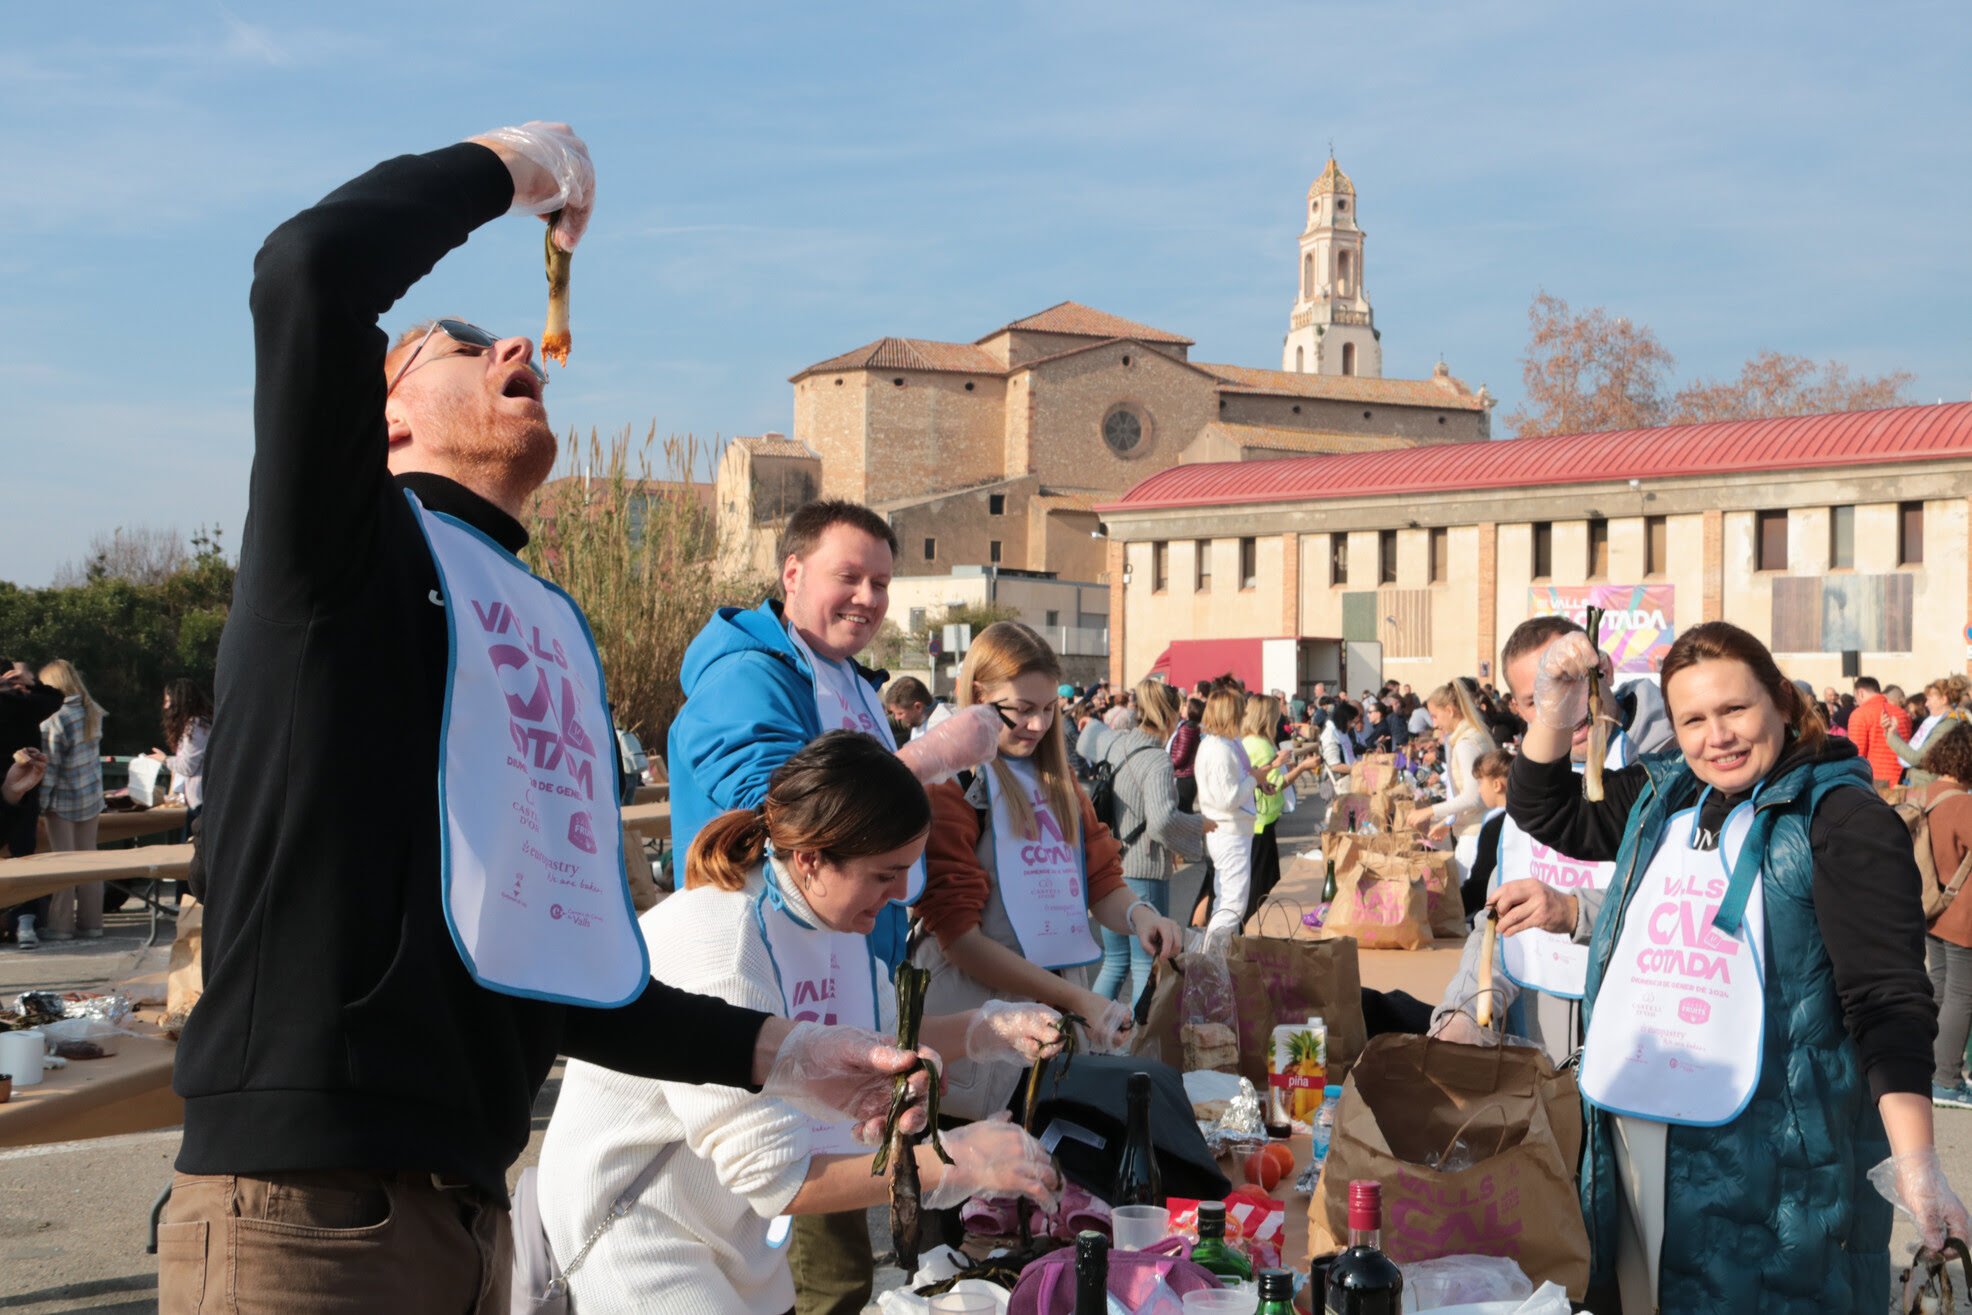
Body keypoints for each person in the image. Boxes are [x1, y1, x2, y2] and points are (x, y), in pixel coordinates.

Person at [160, 123, 931, 1315]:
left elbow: (558, 966)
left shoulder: (535, 620)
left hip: (472, 1215)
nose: (514, 345)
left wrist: (774, 1051)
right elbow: (308, 268)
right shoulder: (341, 553)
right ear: (383, 420)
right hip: (305, 1212)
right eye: (457, 347)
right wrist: (512, 167)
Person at [1514, 620, 1962, 1310]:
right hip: (1639, 1143)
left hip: (1774, 1165)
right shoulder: (1665, 796)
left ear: (1781, 701)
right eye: (1692, 718)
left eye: (1734, 709)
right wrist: (1553, 707)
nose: (1714, 736)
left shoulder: (1843, 818)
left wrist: (1917, 1159)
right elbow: (1550, 810)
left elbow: (1886, 1000)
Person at [537, 734, 1063, 1314]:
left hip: (728, 1229)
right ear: (811, 858)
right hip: (637, 1226)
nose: (896, 898)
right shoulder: (725, 945)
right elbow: (776, 1179)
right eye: (885, 875)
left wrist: (986, 1029)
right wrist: (960, 1161)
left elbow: (880, 1042)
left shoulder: (818, 914)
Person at [916, 622, 1183, 1120]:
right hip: (973, 1043)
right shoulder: (949, 787)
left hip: (1048, 1039)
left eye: (1047, 710)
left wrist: (1142, 916)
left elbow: (1101, 879)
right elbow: (959, 938)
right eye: (1021, 710)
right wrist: (1075, 999)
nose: (1037, 726)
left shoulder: (1059, 785)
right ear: (978, 694)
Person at [1432, 617, 1675, 1062]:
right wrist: (1462, 1012)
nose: (1564, 705)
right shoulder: (1525, 795)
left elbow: (1678, 910)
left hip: (1649, 1048)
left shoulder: (1675, 770)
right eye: (1538, 697)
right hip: (1544, 1049)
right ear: (1521, 709)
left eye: (1570, 682)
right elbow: (1497, 923)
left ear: (1603, 671)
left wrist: (1572, 910)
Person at [1076, 679, 1208, 1003]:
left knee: (1115, 961)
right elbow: (1162, 819)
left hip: (1113, 867)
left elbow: (1085, 741)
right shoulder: (1157, 760)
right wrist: (1198, 825)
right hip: (1145, 868)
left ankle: (1094, 1037)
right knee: (1144, 964)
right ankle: (1138, 1043)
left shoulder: (1117, 744)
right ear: (1169, 714)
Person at [1919, 729, 1972, 1109]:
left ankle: (1927, 1066)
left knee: (1938, 988)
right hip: (1961, 913)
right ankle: (1948, 1079)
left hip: (1928, 907)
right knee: (1961, 995)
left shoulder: (1923, 794)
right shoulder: (1963, 805)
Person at [38, 659, 107, 940]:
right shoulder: (93, 711)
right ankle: (93, 924)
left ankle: (61, 925)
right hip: (91, 796)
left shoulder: (55, 719)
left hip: (62, 800)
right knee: (89, 862)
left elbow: (51, 767)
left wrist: (40, 803)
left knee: (63, 864)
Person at [1406, 679, 1497, 881]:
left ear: (1450, 710)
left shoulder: (1466, 743)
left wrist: (1429, 811)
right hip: (1480, 826)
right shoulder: (1474, 735)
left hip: (1475, 833)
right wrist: (1450, 821)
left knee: (1469, 901)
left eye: (1435, 716)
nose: (1434, 724)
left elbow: (1472, 796)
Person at [1241, 693, 1320, 924]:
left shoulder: (1248, 741)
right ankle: (1254, 932)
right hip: (1263, 819)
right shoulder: (1263, 745)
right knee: (1263, 885)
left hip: (1257, 818)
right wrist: (1304, 767)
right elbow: (1275, 786)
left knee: (1259, 881)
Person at [0, 660, 64, 947]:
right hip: (19, 794)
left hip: (17, 793)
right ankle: (24, 921)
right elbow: (54, 698)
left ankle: (24, 920)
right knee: (24, 857)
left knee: (24, 856)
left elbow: (54, 699)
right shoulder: (22, 703)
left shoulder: (22, 702)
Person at [1192, 686, 1258, 942]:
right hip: (1229, 831)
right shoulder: (1219, 749)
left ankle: (1213, 956)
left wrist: (1254, 779)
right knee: (1233, 904)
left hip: (1229, 830)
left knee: (1226, 899)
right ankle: (1209, 955)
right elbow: (1228, 798)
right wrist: (1254, 779)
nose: (1244, 716)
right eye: (1240, 711)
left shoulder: (1221, 745)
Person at [1456, 750, 1513, 920]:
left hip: (1490, 912)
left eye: (1481, 783)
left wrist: (1457, 908)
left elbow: (1482, 877)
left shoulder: (1496, 824)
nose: (1479, 790)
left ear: (1496, 785)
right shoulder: (1515, 818)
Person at [1886, 677, 1971, 789]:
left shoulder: (1947, 725)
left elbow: (1917, 758)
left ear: (1943, 699)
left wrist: (1892, 736)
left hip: (1927, 786)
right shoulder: (1938, 721)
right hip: (1924, 784)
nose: (1926, 704)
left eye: (1930, 699)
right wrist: (1893, 733)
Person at [148, 679, 213, 818]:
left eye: (167, 701)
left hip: (200, 803)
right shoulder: (200, 724)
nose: (165, 706)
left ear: (179, 702)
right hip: (200, 800)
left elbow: (187, 767)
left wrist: (164, 759)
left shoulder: (196, 725)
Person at [1850, 675, 1909, 784]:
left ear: (1860, 693)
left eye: (1855, 697)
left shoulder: (1859, 714)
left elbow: (1857, 753)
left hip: (1875, 779)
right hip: (1902, 777)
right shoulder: (1902, 713)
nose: (1856, 701)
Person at [883, 674, 953, 741]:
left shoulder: (943, 726)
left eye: (900, 713)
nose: (896, 718)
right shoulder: (920, 719)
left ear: (918, 707)